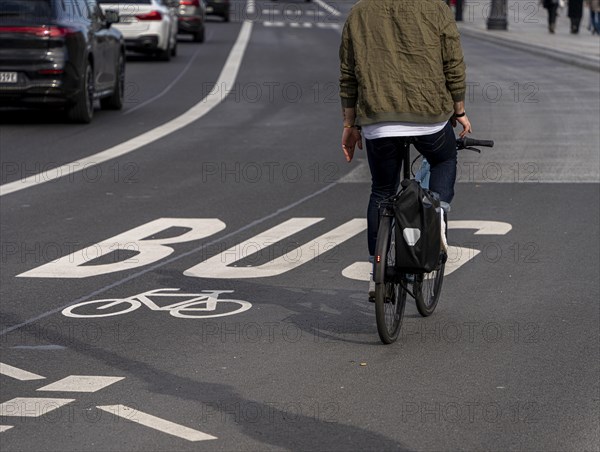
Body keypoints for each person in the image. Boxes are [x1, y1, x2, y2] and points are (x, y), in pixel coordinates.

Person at [338, 0, 471, 300]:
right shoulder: (436, 7)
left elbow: (348, 73)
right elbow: (453, 62)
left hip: (378, 121)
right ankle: (436, 216)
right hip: (429, 121)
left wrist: (350, 125)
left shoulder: (359, 12)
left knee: (381, 192)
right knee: (444, 158)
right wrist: (459, 110)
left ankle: (378, 274)